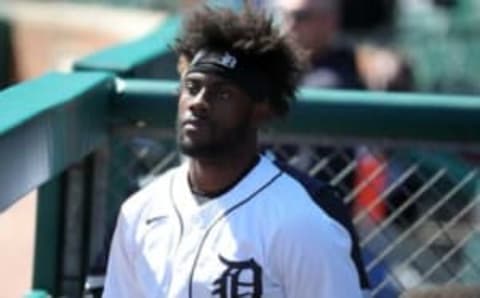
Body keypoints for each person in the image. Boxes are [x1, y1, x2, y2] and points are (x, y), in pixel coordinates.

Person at [103, 4, 365, 298]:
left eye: (223, 93)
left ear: (261, 110)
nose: (198, 102)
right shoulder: (139, 211)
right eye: (192, 86)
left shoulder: (304, 222)